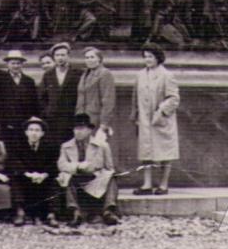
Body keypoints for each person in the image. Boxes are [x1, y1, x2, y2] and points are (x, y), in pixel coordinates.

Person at [131, 44, 180, 195]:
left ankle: (163, 185)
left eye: (150, 57)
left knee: (165, 152)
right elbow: (135, 95)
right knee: (146, 152)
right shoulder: (140, 75)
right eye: (145, 57)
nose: (147, 60)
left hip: (161, 120)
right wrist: (135, 113)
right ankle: (147, 184)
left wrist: (162, 111)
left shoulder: (167, 75)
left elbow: (174, 98)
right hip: (144, 119)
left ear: (158, 58)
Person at [57, 113, 120, 226]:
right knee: (65, 175)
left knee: (111, 176)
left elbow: (109, 167)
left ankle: (108, 211)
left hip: (95, 181)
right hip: (76, 181)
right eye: (75, 129)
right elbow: (61, 165)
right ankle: (75, 212)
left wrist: (94, 169)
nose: (78, 132)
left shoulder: (102, 146)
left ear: (89, 130)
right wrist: (77, 166)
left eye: (81, 128)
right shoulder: (66, 146)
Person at [10, 117, 60, 226]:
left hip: (42, 179)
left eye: (37, 130)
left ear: (42, 133)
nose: (34, 133)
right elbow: (15, 163)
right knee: (15, 179)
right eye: (31, 130)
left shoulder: (49, 147)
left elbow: (53, 164)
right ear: (26, 132)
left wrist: (44, 175)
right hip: (25, 178)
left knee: (53, 181)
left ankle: (51, 215)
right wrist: (28, 174)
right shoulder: (18, 146)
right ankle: (20, 212)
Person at [39, 41, 83, 143]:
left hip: (71, 118)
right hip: (52, 120)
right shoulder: (48, 75)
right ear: (54, 57)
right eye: (57, 55)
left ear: (68, 56)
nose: (60, 58)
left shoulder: (78, 74)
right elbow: (42, 97)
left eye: (63, 55)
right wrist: (47, 112)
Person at [76, 47, 116, 144]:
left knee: (96, 148)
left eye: (92, 57)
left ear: (99, 59)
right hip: (82, 117)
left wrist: (104, 123)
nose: (89, 60)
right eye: (87, 57)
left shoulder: (105, 73)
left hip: (95, 118)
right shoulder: (85, 74)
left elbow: (108, 99)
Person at [2, 49, 40, 147]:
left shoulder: (29, 81)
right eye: (13, 63)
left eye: (18, 63)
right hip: (7, 125)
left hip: (25, 125)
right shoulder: (0, 80)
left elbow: (34, 104)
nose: (15, 66)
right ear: (7, 64)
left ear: (22, 64)